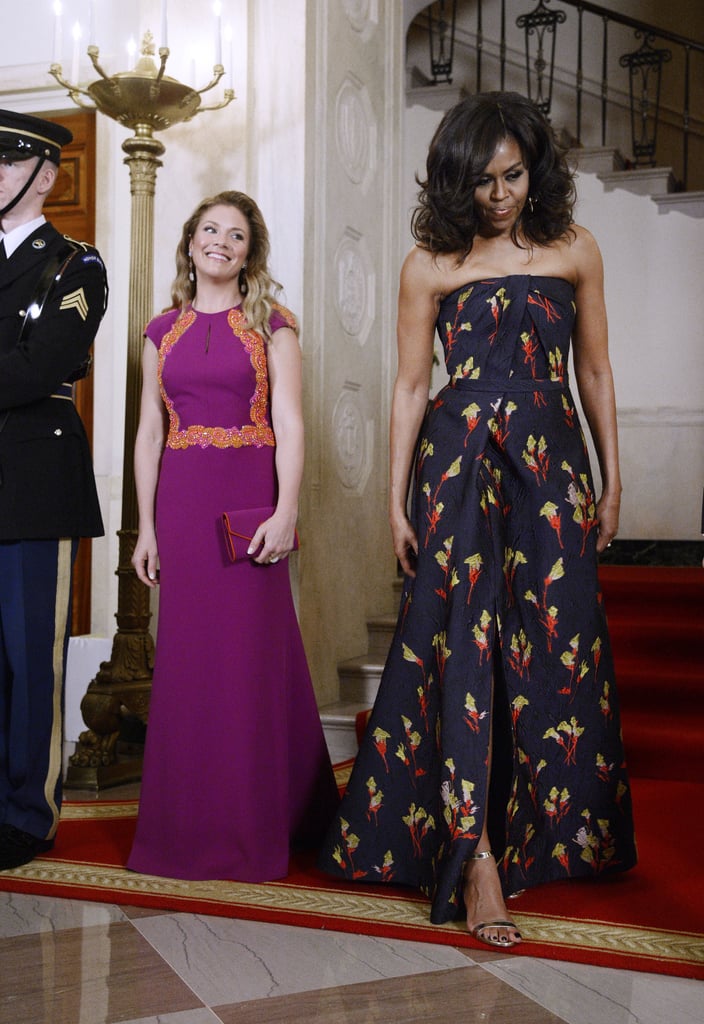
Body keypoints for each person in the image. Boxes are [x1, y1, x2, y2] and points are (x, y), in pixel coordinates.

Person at [319, 91, 637, 947]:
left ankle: (554, 833)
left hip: (553, 471)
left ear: (535, 169)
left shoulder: (575, 249)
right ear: (456, 180)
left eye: (514, 176)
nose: (500, 195)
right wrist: (394, 497)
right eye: (483, 181)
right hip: (457, 466)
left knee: (555, 639)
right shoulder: (430, 262)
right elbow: (412, 385)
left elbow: (596, 374)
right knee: (463, 644)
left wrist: (612, 482)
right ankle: (477, 856)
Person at [127, 190, 338, 882]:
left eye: (237, 235)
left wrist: (286, 512)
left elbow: (293, 425)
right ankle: (184, 830)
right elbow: (150, 434)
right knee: (189, 666)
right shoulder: (161, 331)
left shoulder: (272, 326)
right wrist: (147, 530)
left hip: (248, 507)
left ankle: (262, 824)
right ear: (191, 242)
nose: (221, 242)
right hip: (184, 510)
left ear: (250, 252)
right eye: (210, 230)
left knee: (250, 662)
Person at [0, 110, 108, 870]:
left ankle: (25, 813)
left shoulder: (74, 264)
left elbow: (46, 364)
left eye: (5, 166)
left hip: (34, 482)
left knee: (30, 653)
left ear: (43, 175)